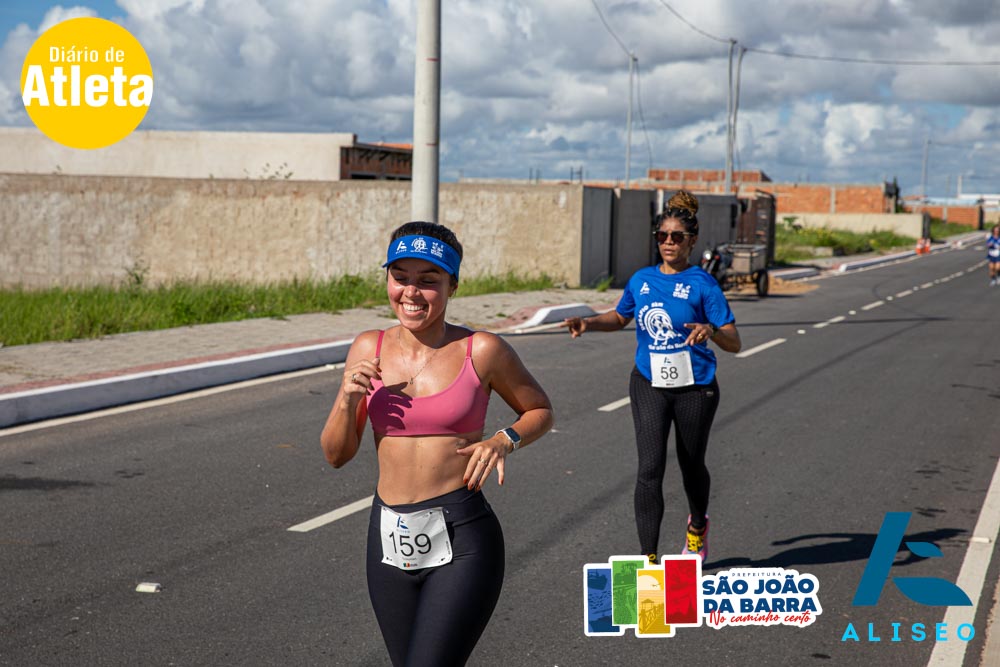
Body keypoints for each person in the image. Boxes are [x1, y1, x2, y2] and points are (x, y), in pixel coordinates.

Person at [320, 221, 553, 667]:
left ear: (453, 286)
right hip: (388, 537)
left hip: (462, 536)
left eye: (428, 281)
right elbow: (335, 455)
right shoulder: (367, 347)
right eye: (400, 277)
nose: (411, 292)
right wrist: (348, 399)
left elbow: (539, 410)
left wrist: (503, 440)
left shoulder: (481, 349)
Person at [561, 190, 741, 564]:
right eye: (662, 236)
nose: (668, 242)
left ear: (691, 241)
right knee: (649, 468)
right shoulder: (641, 279)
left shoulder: (703, 284)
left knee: (691, 464)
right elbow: (620, 317)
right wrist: (589, 323)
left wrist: (711, 331)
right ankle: (650, 559)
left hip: (695, 387)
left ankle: (697, 528)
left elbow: (734, 342)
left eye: (677, 236)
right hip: (648, 383)